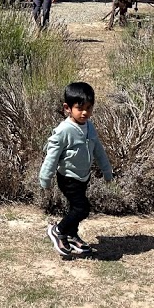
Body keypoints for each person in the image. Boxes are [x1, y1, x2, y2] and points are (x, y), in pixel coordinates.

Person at [39, 82, 113, 258]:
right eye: (80, 108)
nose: (85, 112)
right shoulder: (64, 130)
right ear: (67, 108)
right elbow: (52, 155)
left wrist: (107, 170)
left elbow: (98, 150)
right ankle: (58, 230)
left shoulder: (89, 126)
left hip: (83, 177)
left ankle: (71, 234)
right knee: (82, 208)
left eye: (89, 107)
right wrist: (45, 178)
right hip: (68, 177)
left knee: (75, 207)